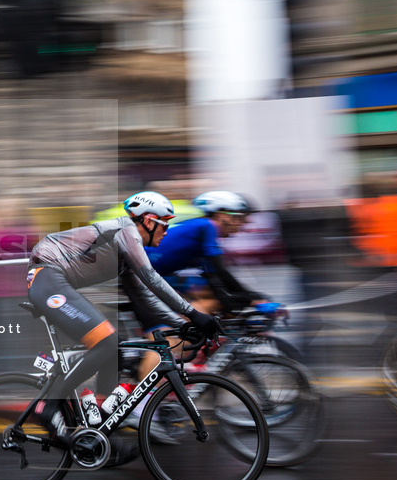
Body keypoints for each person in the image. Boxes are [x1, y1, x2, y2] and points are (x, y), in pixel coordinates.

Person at [26, 191, 221, 446]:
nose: (166, 231)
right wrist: (195, 314)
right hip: (47, 277)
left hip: (55, 282)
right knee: (107, 341)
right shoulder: (126, 231)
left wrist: (182, 324)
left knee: (114, 344)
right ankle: (49, 408)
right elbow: (153, 279)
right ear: (149, 221)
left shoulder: (125, 254)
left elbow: (145, 295)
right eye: (164, 224)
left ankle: (101, 418)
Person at [145, 190, 267, 318]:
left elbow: (212, 276)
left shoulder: (200, 228)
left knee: (214, 296)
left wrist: (246, 297)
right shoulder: (208, 226)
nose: (244, 223)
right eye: (240, 217)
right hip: (144, 272)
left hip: (152, 271)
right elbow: (221, 271)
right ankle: (185, 334)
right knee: (212, 301)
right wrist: (251, 297)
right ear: (221, 215)